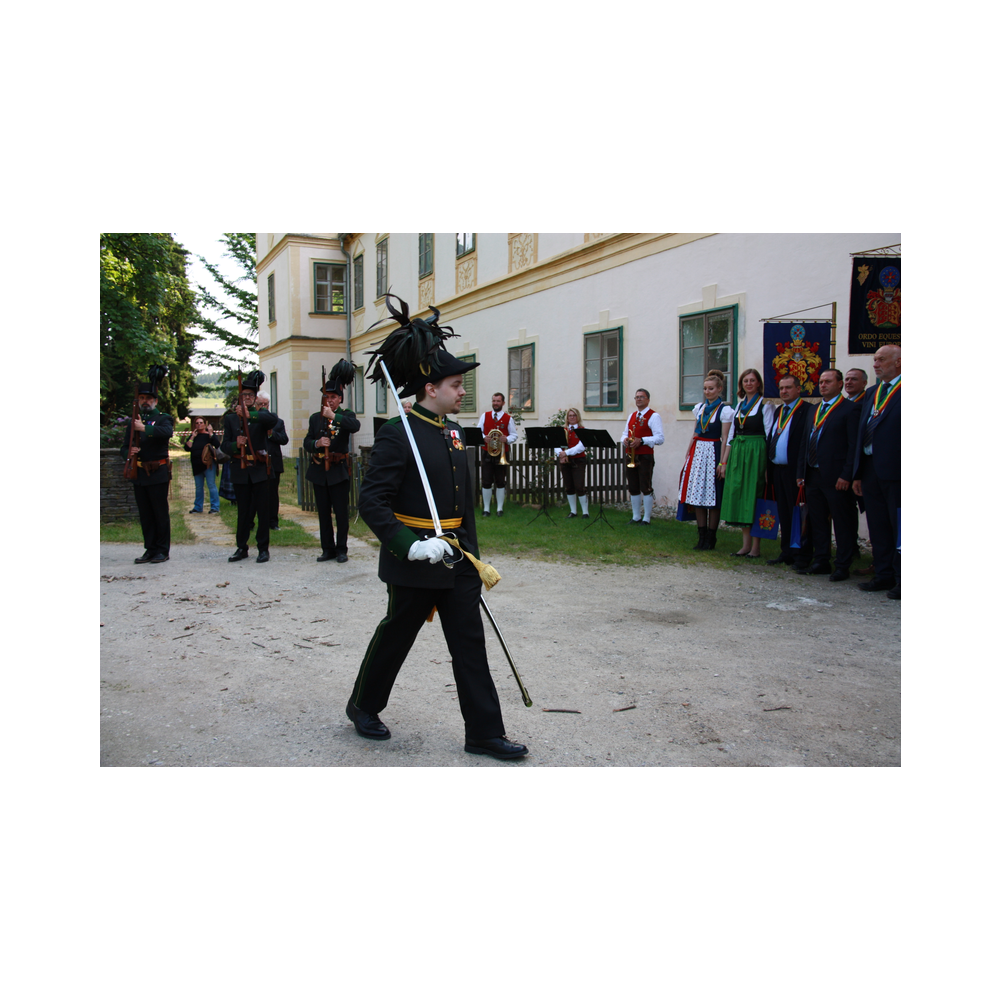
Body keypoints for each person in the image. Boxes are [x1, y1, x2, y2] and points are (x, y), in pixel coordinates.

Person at [348, 295, 527, 760]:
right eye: (455, 384)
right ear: (430, 388)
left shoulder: (454, 432)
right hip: (415, 561)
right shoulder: (397, 433)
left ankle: (484, 733)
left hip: (456, 559)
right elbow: (372, 501)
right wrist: (410, 546)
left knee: (470, 645)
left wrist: (473, 558)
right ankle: (363, 705)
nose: (463, 391)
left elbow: (463, 506)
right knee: (397, 637)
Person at [796, 370, 860, 580]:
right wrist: (801, 472)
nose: (823, 385)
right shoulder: (814, 410)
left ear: (839, 384)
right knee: (818, 521)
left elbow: (853, 446)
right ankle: (821, 560)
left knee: (842, 522)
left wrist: (847, 475)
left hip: (836, 477)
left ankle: (842, 564)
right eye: (821, 382)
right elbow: (805, 442)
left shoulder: (850, 409)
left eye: (828, 382)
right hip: (813, 474)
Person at [852, 345, 901, 598]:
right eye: (874, 360)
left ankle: (900, 578)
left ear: (898, 362)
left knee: (898, 525)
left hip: (896, 470)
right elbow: (863, 431)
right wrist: (858, 472)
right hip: (871, 468)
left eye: (881, 360)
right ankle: (883, 574)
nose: (875, 364)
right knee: (878, 524)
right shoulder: (873, 392)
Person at [222, 370, 278, 563]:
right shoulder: (231, 419)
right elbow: (224, 445)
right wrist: (234, 445)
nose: (247, 398)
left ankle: (263, 549)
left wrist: (250, 416)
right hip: (240, 470)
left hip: (259, 469)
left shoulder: (261, 415)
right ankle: (241, 547)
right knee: (243, 512)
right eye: (244, 395)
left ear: (255, 398)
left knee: (263, 511)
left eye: (250, 395)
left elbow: (272, 420)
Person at [305, 369, 361, 563]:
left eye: (334, 397)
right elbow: (307, 442)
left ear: (340, 399)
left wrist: (333, 416)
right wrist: (317, 443)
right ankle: (327, 548)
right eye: (327, 397)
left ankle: (341, 549)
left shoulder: (345, 415)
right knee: (323, 513)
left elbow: (354, 426)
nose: (330, 400)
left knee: (341, 513)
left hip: (338, 470)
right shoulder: (315, 418)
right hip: (320, 470)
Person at [120, 367, 173, 564]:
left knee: (160, 513)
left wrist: (145, 429)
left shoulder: (163, 418)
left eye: (148, 398)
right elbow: (124, 447)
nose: (145, 401)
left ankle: (162, 550)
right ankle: (150, 549)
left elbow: (166, 432)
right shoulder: (133, 421)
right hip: (140, 473)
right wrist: (129, 453)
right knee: (145, 515)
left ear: (155, 401)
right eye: (142, 398)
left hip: (157, 472)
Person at [720, 369, 774, 557]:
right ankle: (745, 545)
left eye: (752, 380)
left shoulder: (765, 405)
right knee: (740, 495)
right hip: (738, 452)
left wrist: (768, 464)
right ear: (741, 384)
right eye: (745, 381)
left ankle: (756, 547)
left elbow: (769, 434)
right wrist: (724, 462)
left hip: (756, 453)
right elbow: (731, 436)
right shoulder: (740, 406)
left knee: (753, 496)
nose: (749, 384)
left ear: (758, 383)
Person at [678, 370, 733, 549]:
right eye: (705, 389)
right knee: (697, 496)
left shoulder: (724, 410)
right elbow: (695, 432)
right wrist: (688, 453)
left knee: (713, 497)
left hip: (714, 451)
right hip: (698, 452)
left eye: (711, 388)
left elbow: (725, 437)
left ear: (719, 389)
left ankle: (711, 537)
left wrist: (722, 462)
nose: (707, 392)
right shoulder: (700, 409)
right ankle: (701, 536)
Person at [766, 374, 813, 569]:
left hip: (796, 471)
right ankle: (786, 551)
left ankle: (802, 554)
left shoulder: (807, 410)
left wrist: (801, 472)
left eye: (788, 387)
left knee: (799, 513)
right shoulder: (779, 411)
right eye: (781, 388)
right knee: (784, 512)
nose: (784, 391)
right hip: (778, 470)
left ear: (798, 389)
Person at [621, 388, 664, 525]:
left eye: (641, 397)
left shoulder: (654, 416)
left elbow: (660, 438)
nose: (638, 399)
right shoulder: (632, 415)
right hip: (631, 455)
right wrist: (625, 440)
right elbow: (625, 433)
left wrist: (642, 440)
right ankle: (636, 516)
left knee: (646, 487)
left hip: (645, 456)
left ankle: (646, 518)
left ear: (648, 400)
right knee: (633, 486)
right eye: (637, 397)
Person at [477, 392, 517, 517]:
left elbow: (514, 435)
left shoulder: (508, 418)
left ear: (503, 403)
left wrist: (507, 439)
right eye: (494, 401)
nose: (495, 403)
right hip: (487, 452)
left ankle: (500, 508)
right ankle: (486, 509)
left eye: (498, 401)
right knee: (486, 481)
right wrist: (484, 437)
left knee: (500, 481)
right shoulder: (485, 415)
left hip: (501, 453)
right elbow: (478, 431)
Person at [255, 391, 289, 531]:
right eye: (260, 404)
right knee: (257, 493)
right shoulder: (254, 421)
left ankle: (273, 522)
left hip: (274, 462)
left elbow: (284, 439)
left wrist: (272, 434)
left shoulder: (277, 422)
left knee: (273, 494)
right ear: (256, 405)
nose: (263, 406)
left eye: (265, 404)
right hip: (257, 461)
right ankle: (254, 521)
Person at [554, 407, 589, 518]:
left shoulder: (582, 430)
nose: (572, 417)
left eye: (574, 415)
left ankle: (585, 512)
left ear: (578, 417)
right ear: (567, 418)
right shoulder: (563, 430)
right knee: (569, 487)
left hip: (578, 460)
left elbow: (581, 447)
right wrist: (560, 454)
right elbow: (556, 444)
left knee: (579, 486)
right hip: (565, 461)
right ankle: (573, 511)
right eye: (570, 415)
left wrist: (566, 453)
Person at [183, 416, 220, 514]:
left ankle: (215, 507)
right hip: (196, 464)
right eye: (197, 423)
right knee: (199, 487)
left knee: (211, 485)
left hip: (208, 464)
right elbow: (187, 448)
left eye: (201, 423)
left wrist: (211, 433)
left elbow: (217, 444)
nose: (199, 425)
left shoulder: (209, 435)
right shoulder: (193, 436)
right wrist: (192, 437)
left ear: (205, 424)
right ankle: (198, 507)